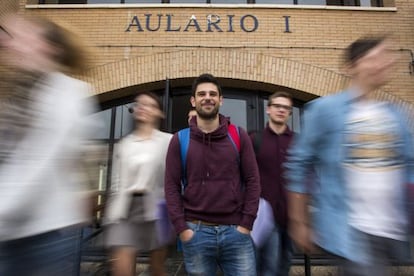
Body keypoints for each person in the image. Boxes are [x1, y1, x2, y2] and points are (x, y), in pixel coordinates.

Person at [285, 36, 414, 276]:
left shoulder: (395, 115)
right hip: (352, 230)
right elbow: (299, 165)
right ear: (353, 65)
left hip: (391, 229)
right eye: (374, 58)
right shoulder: (326, 110)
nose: (383, 64)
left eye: (386, 57)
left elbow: (409, 165)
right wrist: (299, 221)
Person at [0, 13, 97, 275]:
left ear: (49, 48)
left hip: (41, 239)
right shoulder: (13, 95)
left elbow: (37, 166)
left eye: (22, 37)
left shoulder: (68, 95)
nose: (7, 43)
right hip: (10, 233)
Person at [165, 73, 261, 275]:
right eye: (201, 94)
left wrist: (246, 224)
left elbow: (253, 180)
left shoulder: (238, 135)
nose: (207, 97)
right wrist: (182, 229)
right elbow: (171, 187)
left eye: (212, 93)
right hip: (196, 233)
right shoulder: (179, 140)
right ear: (193, 100)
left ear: (220, 99)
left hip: (236, 232)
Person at [104, 92, 172, 276]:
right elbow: (116, 183)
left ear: (160, 113)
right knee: (122, 271)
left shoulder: (168, 141)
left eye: (149, 105)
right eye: (140, 104)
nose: (143, 107)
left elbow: (174, 178)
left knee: (157, 269)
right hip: (126, 210)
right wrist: (111, 215)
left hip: (157, 210)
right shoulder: (124, 144)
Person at [250, 91, 294, 276]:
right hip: (265, 217)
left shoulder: (298, 142)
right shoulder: (255, 139)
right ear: (268, 109)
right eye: (277, 106)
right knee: (269, 267)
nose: (281, 110)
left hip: (292, 217)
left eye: (286, 108)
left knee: (285, 266)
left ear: (290, 113)